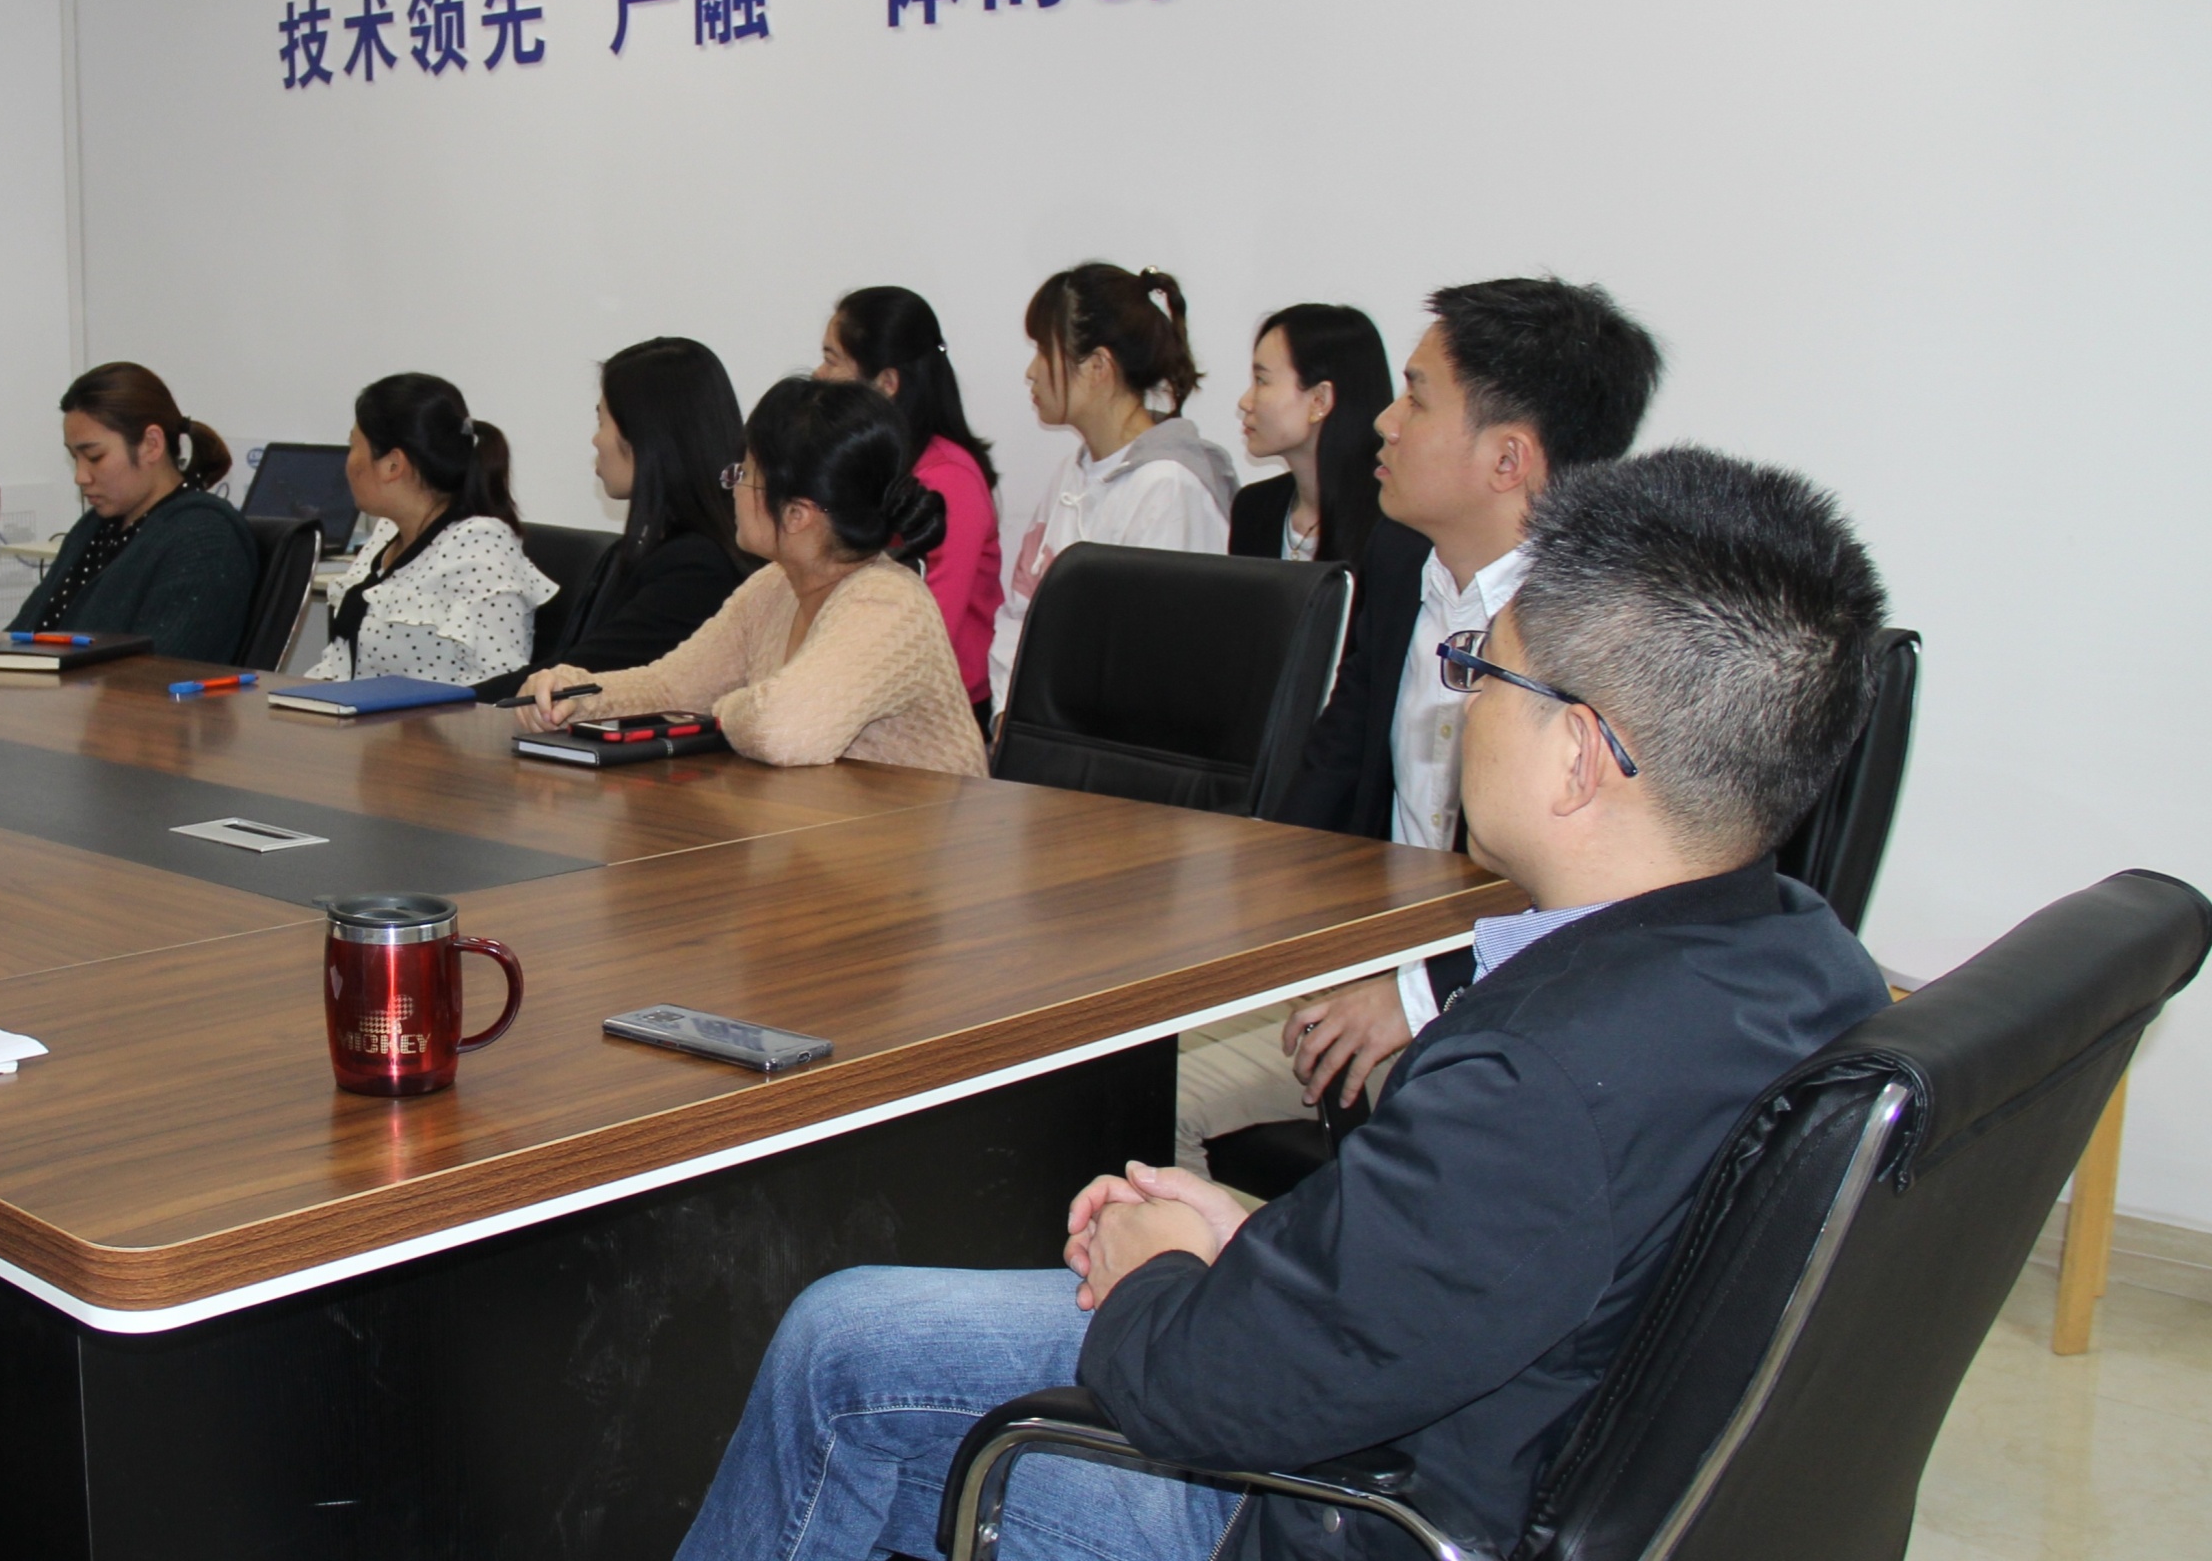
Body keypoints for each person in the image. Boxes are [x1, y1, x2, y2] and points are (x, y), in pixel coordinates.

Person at [674, 446, 1894, 1561]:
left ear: (1578, 755)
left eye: (1479, 669)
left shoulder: (1539, 1077)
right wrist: (1260, 1236)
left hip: (1333, 1508)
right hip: (1454, 1401)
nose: (1459, 700)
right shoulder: (1805, 956)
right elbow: (1490, 1263)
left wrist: (1154, 1269)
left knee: (839, 1367)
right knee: (857, 1339)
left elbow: (1199, 1393)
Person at [1172, 280, 1666, 1174]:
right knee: (1117, 1073)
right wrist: (1243, 908)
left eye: (1417, 398)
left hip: (1507, 1018)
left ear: (1508, 459)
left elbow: (1616, 909)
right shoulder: (1401, 556)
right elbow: (1337, 759)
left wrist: (1422, 993)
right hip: (1364, 954)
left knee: (1156, 1109)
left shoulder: (1608, 630)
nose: (1384, 423)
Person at [517, 378, 984, 778]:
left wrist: (724, 705)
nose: (732, 488)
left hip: (923, 848)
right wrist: (576, 693)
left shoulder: (887, 603)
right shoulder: (773, 586)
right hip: (828, 834)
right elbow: (670, 688)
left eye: (744, 474)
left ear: (798, 514)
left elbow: (780, 731)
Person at [986, 263, 1235, 705]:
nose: (1031, 371)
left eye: (1044, 351)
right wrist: (1008, 711)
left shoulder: (1170, 487)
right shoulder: (1072, 472)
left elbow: (1159, 660)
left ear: (1099, 366)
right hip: (1044, 727)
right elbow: (1020, 612)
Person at [474, 337, 754, 702]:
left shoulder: (698, 569)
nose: (595, 440)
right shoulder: (659, 549)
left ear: (643, 435)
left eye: (601, 420)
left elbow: (581, 675)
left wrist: (445, 704)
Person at [816, 288, 1004, 721]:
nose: (819, 375)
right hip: (870, 692)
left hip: (937, 713)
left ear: (887, 383)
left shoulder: (950, 480)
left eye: (831, 360)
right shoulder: (877, 463)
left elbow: (930, 627)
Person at [303, 373, 555, 687]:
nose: (348, 461)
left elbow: (498, 687)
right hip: (354, 714)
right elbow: (340, 664)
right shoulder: (385, 535)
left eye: (353, 445)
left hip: (423, 720)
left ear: (393, 464)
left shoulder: (479, 547)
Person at [9, 362, 259, 664]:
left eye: (94, 456)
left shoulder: (204, 539)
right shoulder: (95, 527)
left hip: (113, 695)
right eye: (75, 457)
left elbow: (158, 671)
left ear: (151, 445)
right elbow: (22, 634)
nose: (80, 476)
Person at [1226, 303, 1392, 570]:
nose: (1245, 402)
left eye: (1262, 380)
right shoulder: (1254, 509)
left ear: (1319, 400)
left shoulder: (1394, 521)